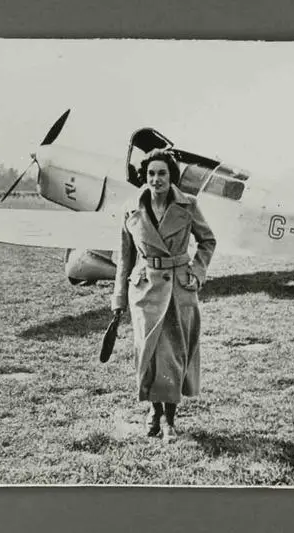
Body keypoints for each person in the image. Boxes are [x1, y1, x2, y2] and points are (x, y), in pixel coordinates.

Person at [111, 149, 216, 442]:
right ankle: (154, 411)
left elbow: (207, 240)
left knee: (173, 356)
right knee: (148, 355)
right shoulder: (131, 209)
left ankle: (169, 420)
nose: (156, 179)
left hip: (179, 289)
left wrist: (197, 272)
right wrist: (118, 297)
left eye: (162, 174)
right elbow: (125, 257)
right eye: (151, 174)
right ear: (145, 177)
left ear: (171, 178)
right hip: (144, 289)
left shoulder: (188, 205)